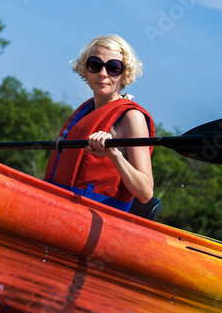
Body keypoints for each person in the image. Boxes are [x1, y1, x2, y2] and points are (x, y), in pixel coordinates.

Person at [44, 35, 155, 213]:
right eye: (95, 65)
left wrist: (114, 154)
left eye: (113, 68)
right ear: (86, 70)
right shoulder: (86, 114)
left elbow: (145, 192)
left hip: (95, 216)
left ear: (124, 74)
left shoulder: (131, 118)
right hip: (57, 207)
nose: (102, 74)